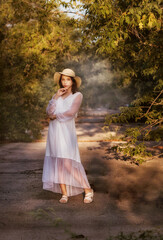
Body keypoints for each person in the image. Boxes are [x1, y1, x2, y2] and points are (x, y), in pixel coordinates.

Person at [42, 68, 94, 204]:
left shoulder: (77, 95)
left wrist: (55, 116)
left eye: (68, 79)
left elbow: (71, 112)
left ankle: (88, 189)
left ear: (72, 82)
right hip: (54, 132)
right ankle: (64, 194)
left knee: (68, 163)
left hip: (66, 132)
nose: (65, 82)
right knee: (58, 163)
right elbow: (48, 112)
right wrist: (55, 96)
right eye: (63, 79)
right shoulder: (57, 95)